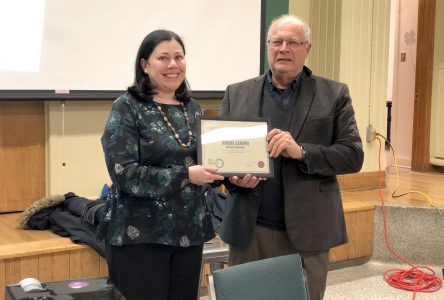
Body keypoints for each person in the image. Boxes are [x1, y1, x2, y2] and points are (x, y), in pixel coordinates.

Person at [218, 15, 364, 300]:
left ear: (307, 48)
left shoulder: (333, 94)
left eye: (293, 42)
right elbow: (223, 157)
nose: (283, 48)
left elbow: (353, 155)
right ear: (268, 46)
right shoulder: (237, 93)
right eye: (277, 42)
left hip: (308, 232)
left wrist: (302, 151)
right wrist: (233, 180)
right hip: (249, 229)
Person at [98, 29, 224, 300]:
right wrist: (186, 175)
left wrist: (231, 174)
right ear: (145, 65)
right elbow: (124, 173)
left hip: (188, 233)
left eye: (179, 57)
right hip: (140, 235)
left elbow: (208, 164)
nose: (173, 65)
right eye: (163, 58)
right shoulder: (126, 107)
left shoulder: (192, 108)